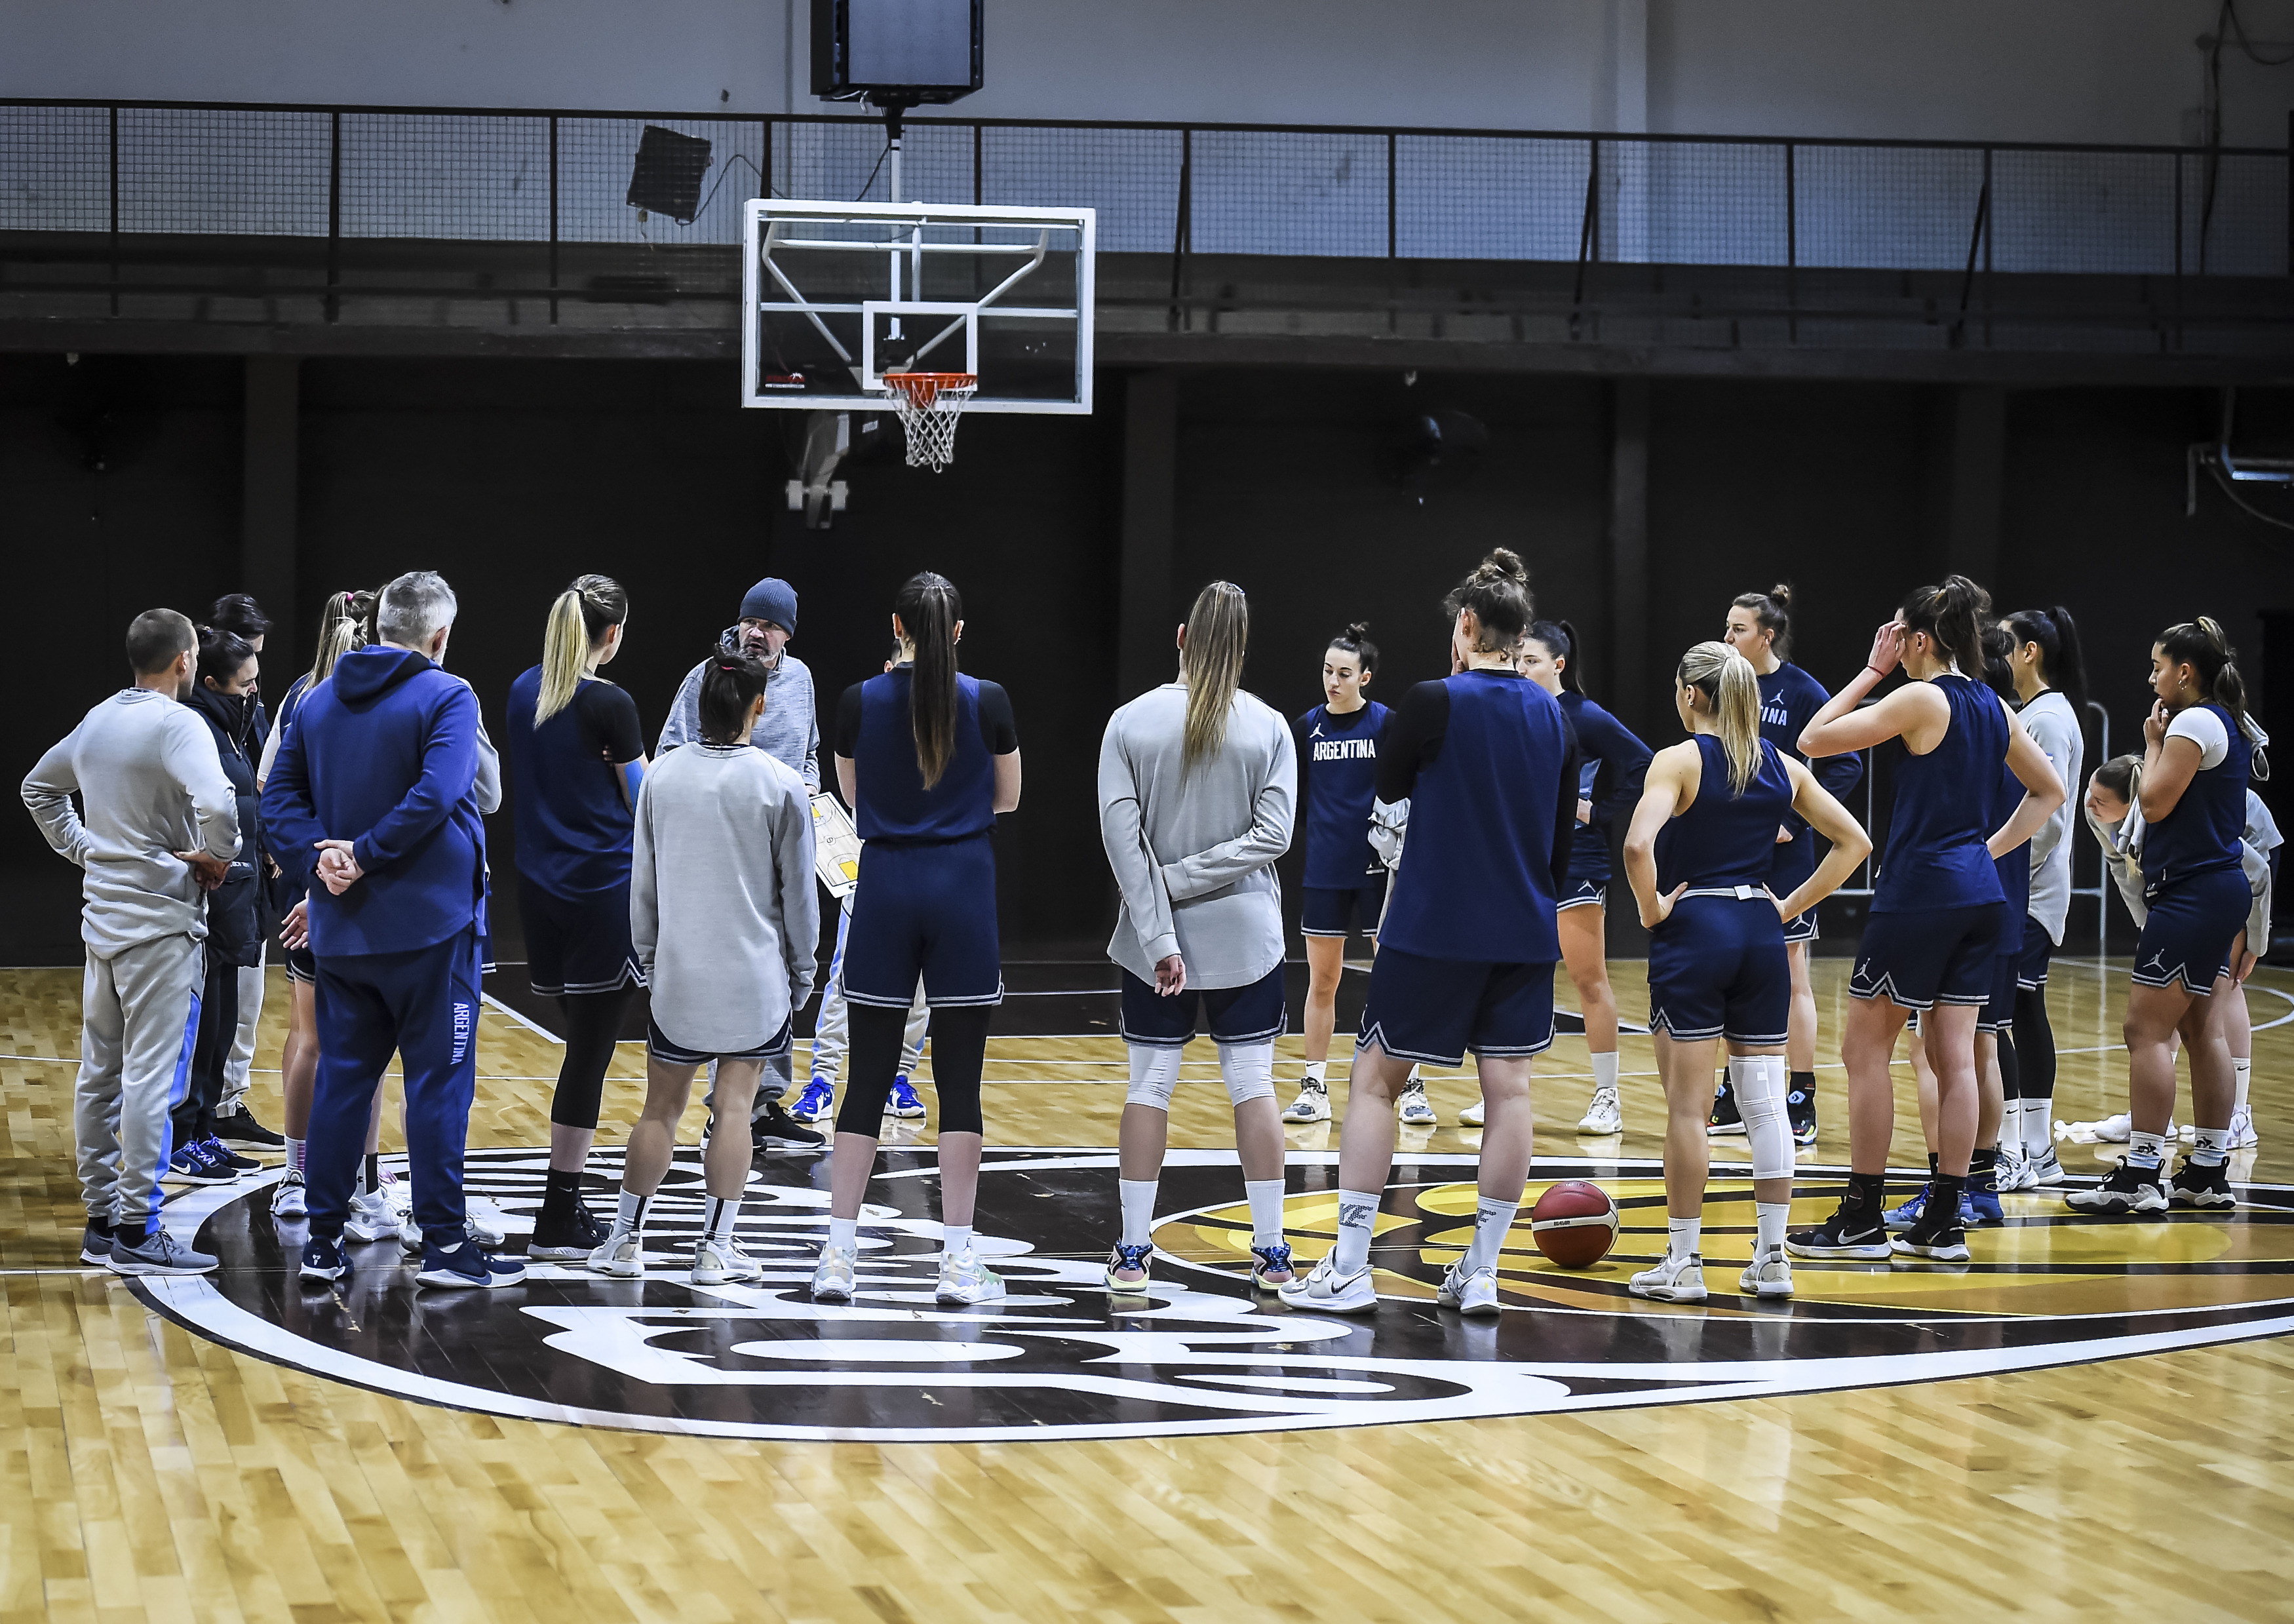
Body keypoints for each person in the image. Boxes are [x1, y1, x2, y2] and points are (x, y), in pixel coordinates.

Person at [1279, 549, 1577, 1316]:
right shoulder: (1553, 711)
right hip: (1522, 928)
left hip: (1433, 922)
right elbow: (1556, 841)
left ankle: (1348, 1268)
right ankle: (1479, 1271)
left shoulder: (1431, 700)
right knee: (1510, 1092)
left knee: (1375, 1078)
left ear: (1468, 625)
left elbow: (1389, 791)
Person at [1785, 577, 2063, 1264]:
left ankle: (1860, 1215)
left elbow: (1813, 739)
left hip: (1919, 895)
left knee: (1862, 1053)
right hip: (1978, 896)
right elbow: (2049, 791)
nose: (1890, 645)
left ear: (1916, 639)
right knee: (1957, 1056)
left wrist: (1872, 670)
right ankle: (1945, 1218)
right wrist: (1985, 850)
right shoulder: (1994, 705)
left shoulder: (1916, 695)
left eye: (1895, 636)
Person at [263, 570, 522, 1290]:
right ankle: (443, 1245)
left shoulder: (314, 701)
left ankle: (322, 1242)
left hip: (344, 930)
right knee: (439, 1088)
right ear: (439, 636)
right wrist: (364, 856)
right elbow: (441, 792)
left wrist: (322, 858)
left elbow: (276, 800)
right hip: (434, 933)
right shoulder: (448, 693)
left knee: (345, 1082)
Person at [1622, 642, 1867, 1302]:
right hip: (1760, 933)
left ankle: (1682, 1263)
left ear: (1690, 695)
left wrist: (1649, 908)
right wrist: (1787, 905)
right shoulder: (1781, 766)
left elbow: (1636, 844)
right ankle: (1770, 1259)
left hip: (1695, 927)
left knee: (1687, 1112)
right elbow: (1855, 843)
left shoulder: (1675, 760)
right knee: (1765, 1106)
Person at [811, 571, 1022, 1307]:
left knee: (864, 1078)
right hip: (962, 885)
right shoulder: (987, 699)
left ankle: (837, 1258)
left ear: (895, 626)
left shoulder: (856, 701)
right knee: (958, 1084)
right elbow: (1008, 797)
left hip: (888, 884)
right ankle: (958, 1264)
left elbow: (850, 794)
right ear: (957, 632)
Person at [589, 650, 819, 1283]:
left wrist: (654, 961)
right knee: (736, 1110)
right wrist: (804, 971)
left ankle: (623, 1241)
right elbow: (799, 893)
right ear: (759, 705)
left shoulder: (661, 777)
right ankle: (715, 1249)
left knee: (658, 1110)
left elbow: (643, 886)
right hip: (754, 982)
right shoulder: (780, 782)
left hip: (681, 978)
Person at [23, 608, 239, 1275]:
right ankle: (138, 1232)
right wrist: (215, 857)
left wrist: (91, 851)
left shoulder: (98, 719)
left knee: (100, 1077)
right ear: (184, 661)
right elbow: (222, 805)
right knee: (151, 1080)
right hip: (161, 928)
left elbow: (39, 789)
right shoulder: (179, 724)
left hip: (103, 924)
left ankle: (101, 1223)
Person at [1099, 582, 1299, 1294]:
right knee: (1254, 1085)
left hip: (1153, 942)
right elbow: (1273, 837)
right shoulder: (1269, 725)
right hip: (1246, 936)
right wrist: (1186, 880)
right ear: (1240, 647)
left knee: (1148, 1085)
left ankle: (1130, 1252)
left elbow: (1122, 847)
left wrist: (1159, 913)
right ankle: (1272, 1253)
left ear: (1181, 637)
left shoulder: (1128, 722)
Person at [2068, 619, 2265, 1215]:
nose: (2151, 677)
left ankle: (2143, 1173)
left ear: (2185, 672)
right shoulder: (2216, 722)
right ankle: (2206, 1171)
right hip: (2214, 893)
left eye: (2158, 667)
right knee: (2202, 1029)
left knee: (2143, 1030)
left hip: (2193, 895)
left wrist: (2152, 744)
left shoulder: (2195, 722)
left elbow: (2152, 802)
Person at [505, 575, 649, 1260]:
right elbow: (642, 803)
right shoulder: (610, 704)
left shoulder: (519, 690)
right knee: (588, 1056)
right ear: (613, 634)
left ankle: (566, 1199)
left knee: (581, 1048)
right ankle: (558, 1209)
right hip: (601, 893)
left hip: (539, 894)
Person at [657, 576, 824, 1153]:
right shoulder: (707, 676)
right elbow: (668, 755)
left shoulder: (800, 680)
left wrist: (805, 790)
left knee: (774, 970)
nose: (758, 633)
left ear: (786, 635)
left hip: (778, 835)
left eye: (771, 625)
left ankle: (760, 1102)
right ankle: (722, 1106)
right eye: (752, 621)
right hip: (719, 839)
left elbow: (810, 754)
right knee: (730, 967)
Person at [1715, 586, 1866, 1147]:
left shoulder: (1801, 691)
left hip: (1782, 860)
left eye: (1739, 629)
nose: (1728, 637)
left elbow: (1844, 766)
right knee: (1730, 975)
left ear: (1767, 635)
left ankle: (1799, 1098)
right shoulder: (1724, 684)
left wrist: (1797, 823)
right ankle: (1733, 1095)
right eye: (1727, 627)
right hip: (1730, 854)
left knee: (1792, 975)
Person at [1501, 619, 1650, 1136]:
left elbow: (1642, 763)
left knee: (1588, 979)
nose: (1521, 668)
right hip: (1523, 861)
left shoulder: (1584, 716)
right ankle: (1501, 1092)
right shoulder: (1514, 709)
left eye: (1532, 660)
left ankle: (1608, 1097)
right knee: (1516, 977)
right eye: (1518, 660)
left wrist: (1600, 811)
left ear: (1558, 665)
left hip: (1577, 863)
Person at [260, 589, 375, 1222]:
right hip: (360, 888)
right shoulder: (393, 698)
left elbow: (266, 784)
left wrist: (305, 862)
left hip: (314, 882)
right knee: (364, 1041)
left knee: (309, 1036)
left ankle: (295, 1174)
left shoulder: (301, 693)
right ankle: (365, 1181)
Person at [793, 644, 932, 1129]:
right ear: (889, 670)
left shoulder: (948, 720)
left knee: (918, 988)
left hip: (931, 873)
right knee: (845, 979)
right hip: (872, 866)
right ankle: (823, 1082)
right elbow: (850, 793)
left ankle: (900, 1077)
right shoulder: (868, 711)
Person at [164, 625, 268, 1186]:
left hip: (239, 895)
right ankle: (182, 1136)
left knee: (224, 1024)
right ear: (208, 682)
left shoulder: (232, 728)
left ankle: (204, 1128)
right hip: (208, 898)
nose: (254, 693)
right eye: (245, 685)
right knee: (201, 1029)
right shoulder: (196, 729)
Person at [1282, 623, 1395, 1126]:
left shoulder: (1387, 724)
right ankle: (1314, 1085)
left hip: (1379, 871)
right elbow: (1299, 801)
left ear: (1365, 677)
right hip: (1326, 869)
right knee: (1322, 980)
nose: (1333, 681)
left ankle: (1407, 1083)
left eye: (1344, 673)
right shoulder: (1308, 727)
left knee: (1393, 978)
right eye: (1328, 671)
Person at [1997, 606, 2088, 1188]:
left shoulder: (2049, 719)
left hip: (2027, 891)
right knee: (2025, 1011)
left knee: (1998, 1018)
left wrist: (2002, 869)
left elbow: (2046, 815)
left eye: (2005, 644)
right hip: (2027, 890)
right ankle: (2036, 1151)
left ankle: (2014, 1151)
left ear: (2030, 652)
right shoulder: (2039, 713)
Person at [206, 591, 284, 1149]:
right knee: (214, 1007)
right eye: (246, 666)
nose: (256, 680)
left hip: (251, 878)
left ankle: (226, 1103)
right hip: (216, 885)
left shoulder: (250, 710)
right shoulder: (194, 723)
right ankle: (197, 1115)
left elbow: (263, 785)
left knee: (244, 1004)